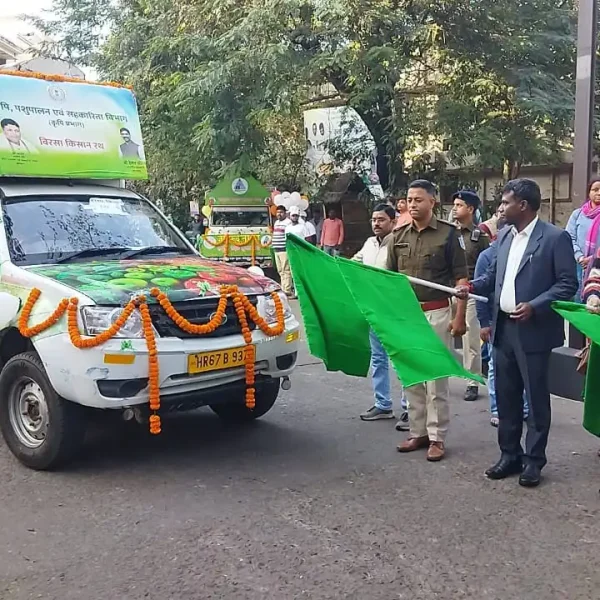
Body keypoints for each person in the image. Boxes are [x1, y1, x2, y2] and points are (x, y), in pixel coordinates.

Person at [462, 178, 578, 487]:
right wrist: (471, 287)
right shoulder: (503, 237)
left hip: (534, 331)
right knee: (507, 395)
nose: (500, 208)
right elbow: (492, 276)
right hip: (504, 330)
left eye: (505, 202)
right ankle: (509, 455)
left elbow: (568, 284)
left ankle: (533, 461)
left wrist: (536, 305)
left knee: (536, 398)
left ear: (523, 205)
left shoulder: (555, 238)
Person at [387, 179, 468, 462]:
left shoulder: (448, 235)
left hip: (437, 313)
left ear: (433, 202)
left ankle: (437, 437)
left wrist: (460, 317)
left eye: (418, 199)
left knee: (435, 379)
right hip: (407, 315)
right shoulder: (398, 236)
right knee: (411, 377)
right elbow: (388, 281)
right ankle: (417, 432)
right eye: (409, 199)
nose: (412, 204)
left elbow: (461, 279)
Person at [354, 204, 409, 430]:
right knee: (378, 359)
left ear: (393, 221)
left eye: (381, 220)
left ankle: (409, 408)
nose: (377, 223)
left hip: (395, 311)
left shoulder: (400, 243)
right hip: (373, 309)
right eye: (374, 220)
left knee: (401, 360)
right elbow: (351, 264)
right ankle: (383, 404)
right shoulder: (368, 244)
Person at [474, 224, 530, 428]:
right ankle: (497, 408)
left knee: (521, 367)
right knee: (494, 368)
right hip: (495, 321)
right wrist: (484, 323)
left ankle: (523, 408)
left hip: (520, 321)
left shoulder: (525, 252)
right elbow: (481, 291)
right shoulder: (487, 257)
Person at [452, 190, 490, 402]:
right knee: (442, 334)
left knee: (470, 339)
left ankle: (472, 382)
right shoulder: (448, 233)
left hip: (470, 292)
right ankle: (440, 374)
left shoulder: (479, 237)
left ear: (471, 209)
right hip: (448, 289)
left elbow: (487, 267)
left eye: (459, 205)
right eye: (454, 204)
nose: (455, 209)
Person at [566, 177, 600, 301]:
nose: (599, 193)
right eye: (595, 189)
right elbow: (569, 237)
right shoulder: (577, 214)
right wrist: (580, 257)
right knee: (578, 300)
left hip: (598, 267)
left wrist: (593, 259)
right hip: (578, 265)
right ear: (589, 192)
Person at [272, 205, 293, 297]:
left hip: (284, 249)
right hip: (276, 249)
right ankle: (283, 288)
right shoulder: (276, 222)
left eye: (281, 212)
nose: (279, 214)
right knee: (280, 270)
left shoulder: (288, 223)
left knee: (286, 270)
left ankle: (287, 289)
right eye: (277, 212)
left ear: (285, 213)